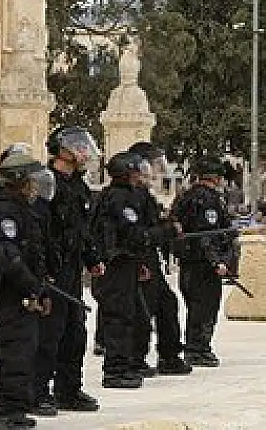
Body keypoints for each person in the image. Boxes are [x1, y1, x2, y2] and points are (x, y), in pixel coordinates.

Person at [91, 152, 181, 389]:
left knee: (134, 315)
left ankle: (128, 364)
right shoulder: (119, 198)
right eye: (136, 171)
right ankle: (116, 370)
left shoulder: (125, 195)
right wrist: (166, 232)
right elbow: (134, 236)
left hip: (128, 263)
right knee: (119, 318)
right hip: (116, 265)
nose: (141, 175)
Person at [0, 151, 56, 430]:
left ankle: (12, 408)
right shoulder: (5, 211)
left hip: (22, 292)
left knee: (23, 351)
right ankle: (5, 412)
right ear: (20, 181)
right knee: (15, 353)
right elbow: (8, 256)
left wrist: (40, 288)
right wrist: (32, 288)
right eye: (32, 181)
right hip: (9, 296)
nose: (36, 187)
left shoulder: (22, 209)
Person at [36, 127, 103, 412]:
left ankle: (69, 390)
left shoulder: (78, 185)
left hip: (72, 268)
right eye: (77, 145)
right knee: (48, 332)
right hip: (51, 268)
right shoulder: (46, 182)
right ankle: (38, 391)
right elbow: (38, 228)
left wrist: (91, 258)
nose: (83, 151)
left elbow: (82, 229)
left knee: (74, 332)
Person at [125, 143, 192, 377]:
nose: (156, 169)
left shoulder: (144, 194)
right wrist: (167, 230)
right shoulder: (131, 195)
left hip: (151, 258)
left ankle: (169, 355)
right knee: (143, 311)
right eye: (153, 163)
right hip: (140, 259)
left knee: (167, 304)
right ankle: (135, 359)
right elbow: (138, 233)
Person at [170, 154, 237, 366]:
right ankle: (198, 349)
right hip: (203, 264)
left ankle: (195, 346)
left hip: (188, 262)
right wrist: (217, 262)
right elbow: (207, 235)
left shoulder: (185, 197)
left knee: (195, 306)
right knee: (205, 307)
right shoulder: (208, 200)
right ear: (215, 177)